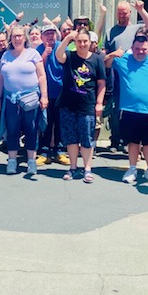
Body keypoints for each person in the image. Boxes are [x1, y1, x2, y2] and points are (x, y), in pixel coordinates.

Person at [105, 30, 148, 186]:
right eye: (137, 49)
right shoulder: (123, 59)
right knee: (132, 142)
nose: (140, 52)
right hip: (128, 110)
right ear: (132, 48)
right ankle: (132, 169)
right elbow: (106, 64)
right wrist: (112, 54)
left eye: (143, 49)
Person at [0, 26, 48, 176]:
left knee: (31, 129)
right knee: (12, 130)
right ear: (10, 39)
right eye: (14, 36)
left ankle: (31, 162)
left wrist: (44, 96)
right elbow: (1, 79)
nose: (17, 39)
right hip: (11, 99)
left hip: (30, 99)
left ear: (25, 38)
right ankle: (12, 161)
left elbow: (42, 76)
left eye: (19, 36)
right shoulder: (5, 55)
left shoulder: (33, 54)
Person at [104, 0, 148, 152]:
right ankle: (115, 140)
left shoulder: (138, 28)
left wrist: (142, 10)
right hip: (118, 77)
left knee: (132, 110)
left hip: (137, 76)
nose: (121, 15)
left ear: (130, 13)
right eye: (119, 13)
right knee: (116, 109)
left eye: (124, 13)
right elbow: (106, 54)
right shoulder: (110, 32)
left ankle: (129, 141)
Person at [55, 29, 106, 183]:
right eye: (79, 41)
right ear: (75, 43)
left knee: (86, 138)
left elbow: (101, 83)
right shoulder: (70, 56)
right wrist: (67, 39)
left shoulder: (97, 60)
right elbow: (58, 55)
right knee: (71, 138)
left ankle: (87, 169)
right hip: (68, 104)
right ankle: (73, 167)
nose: (82, 44)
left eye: (85, 41)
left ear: (90, 42)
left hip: (87, 105)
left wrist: (99, 103)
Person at [35, 24, 70, 166]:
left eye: (52, 33)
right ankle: (44, 152)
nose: (50, 36)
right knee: (45, 124)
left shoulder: (62, 46)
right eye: (47, 34)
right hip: (45, 93)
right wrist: (44, 55)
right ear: (42, 36)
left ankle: (60, 152)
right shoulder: (38, 49)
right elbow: (35, 69)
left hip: (61, 92)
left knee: (61, 123)